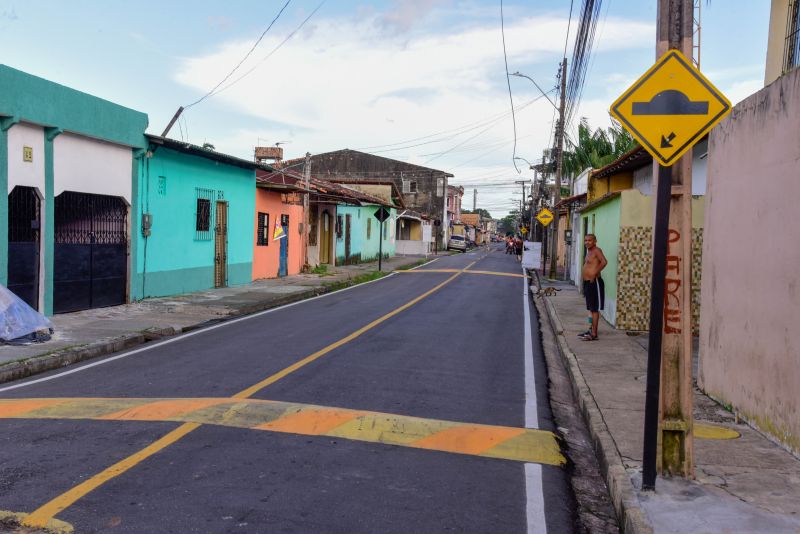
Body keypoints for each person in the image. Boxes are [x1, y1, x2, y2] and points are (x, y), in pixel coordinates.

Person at [579, 234, 607, 341]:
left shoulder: (596, 250)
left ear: (595, 241)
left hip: (595, 282)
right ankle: (590, 330)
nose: (587, 242)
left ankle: (594, 334)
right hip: (588, 283)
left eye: (589, 240)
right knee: (590, 308)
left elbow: (604, 262)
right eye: (585, 240)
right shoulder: (589, 252)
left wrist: (594, 273)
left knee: (594, 309)